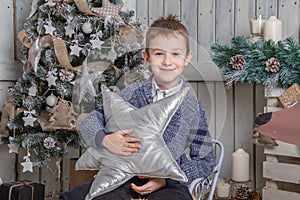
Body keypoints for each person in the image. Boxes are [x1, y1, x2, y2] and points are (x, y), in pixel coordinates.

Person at [60, 14, 215, 200]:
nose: (167, 61)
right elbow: (90, 121)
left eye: (175, 54)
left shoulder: (192, 107)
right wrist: (106, 139)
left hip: (167, 184)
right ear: (147, 57)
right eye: (159, 53)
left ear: (186, 58)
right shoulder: (132, 94)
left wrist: (166, 179)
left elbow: (205, 161)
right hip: (124, 176)